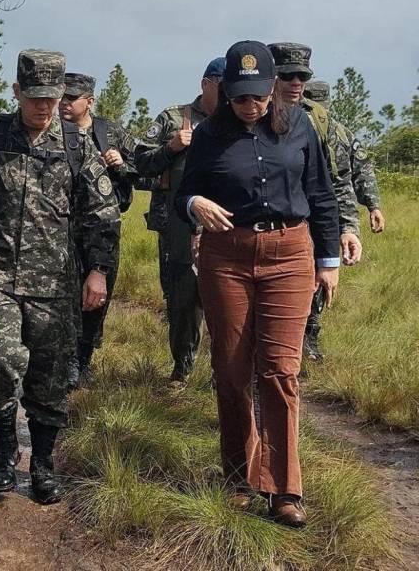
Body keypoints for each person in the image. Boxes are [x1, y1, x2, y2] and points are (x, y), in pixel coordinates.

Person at [0, 50, 120, 504]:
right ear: (17, 92)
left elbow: (103, 215)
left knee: (50, 379)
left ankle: (42, 462)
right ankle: (4, 450)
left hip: (55, 286)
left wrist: (98, 271)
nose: (44, 106)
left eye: (52, 97)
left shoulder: (77, 146)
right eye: (35, 97)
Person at [176, 40, 340, 528]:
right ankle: (239, 480)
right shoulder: (209, 135)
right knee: (230, 369)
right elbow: (185, 193)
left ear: (273, 85)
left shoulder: (302, 127)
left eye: (259, 95)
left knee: (280, 370)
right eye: (241, 96)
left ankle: (284, 489)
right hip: (227, 257)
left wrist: (327, 260)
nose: (252, 106)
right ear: (226, 91)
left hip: (290, 255)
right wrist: (194, 206)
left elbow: (322, 194)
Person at [134, 57, 225, 386]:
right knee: (182, 296)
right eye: (223, 84)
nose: (232, 92)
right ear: (206, 84)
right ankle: (182, 367)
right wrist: (171, 148)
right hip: (178, 223)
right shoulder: (173, 118)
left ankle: (224, 371)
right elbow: (139, 162)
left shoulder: (240, 120)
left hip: (225, 223)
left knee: (225, 296)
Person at [268, 42, 361, 363]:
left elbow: (337, 179)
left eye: (302, 77)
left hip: (307, 222)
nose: (297, 83)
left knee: (311, 287)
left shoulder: (318, 122)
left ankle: (306, 339)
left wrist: (347, 227)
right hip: (260, 230)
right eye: (288, 75)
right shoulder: (245, 111)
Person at [59, 72, 136, 389]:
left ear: (88, 101)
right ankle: (66, 360)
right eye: (61, 97)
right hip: (63, 226)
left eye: (71, 98)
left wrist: (121, 165)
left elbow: (144, 169)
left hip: (101, 227)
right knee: (65, 297)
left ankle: (85, 356)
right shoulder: (54, 132)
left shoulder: (110, 131)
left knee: (96, 297)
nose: (64, 103)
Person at [304, 80, 385, 234]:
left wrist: (373, 205)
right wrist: (373, 206)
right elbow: (363, 169)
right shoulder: (340, 131)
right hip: (327, 212)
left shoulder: (338, 132)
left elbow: (360, 168)